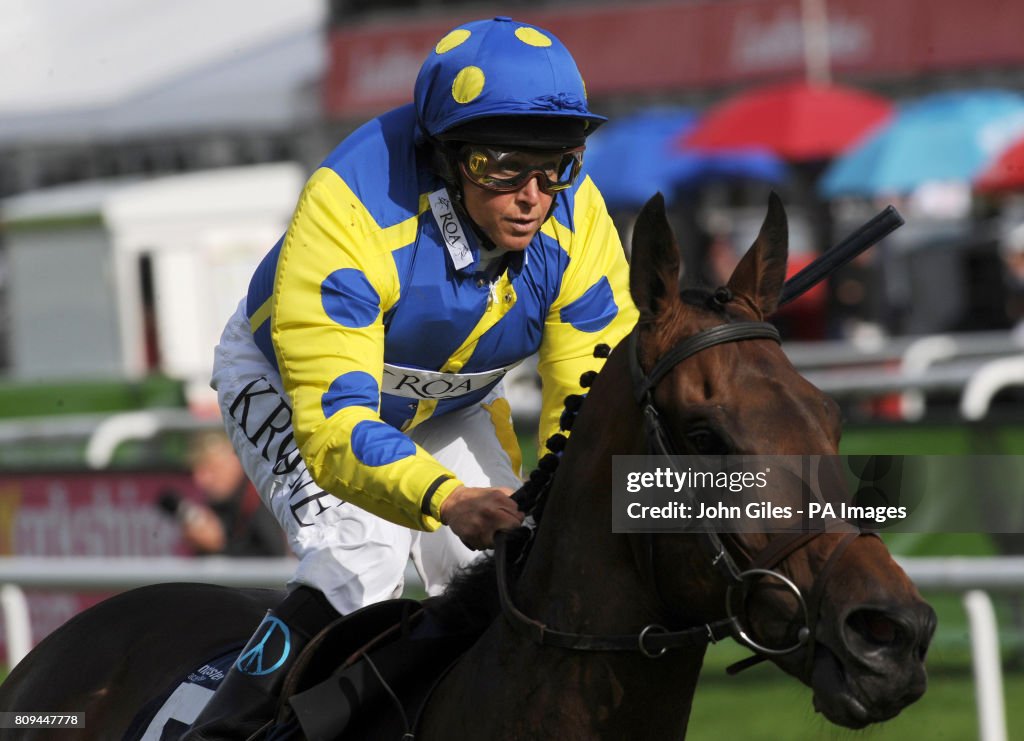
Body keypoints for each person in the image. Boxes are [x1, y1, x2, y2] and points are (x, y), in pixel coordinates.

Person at [185, 16, 637, 738]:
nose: (533, 194)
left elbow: (587, 393)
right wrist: (446, 495)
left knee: (513, 565)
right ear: (446, 156)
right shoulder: (347, 207)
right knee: (360, 557)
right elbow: (337, 430)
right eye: (503, 167)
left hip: (450, 401)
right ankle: (226, 729)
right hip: (295, 386)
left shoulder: (576, 217)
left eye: (556, 164)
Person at [161, 431, 287, 558]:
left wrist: (219, 545)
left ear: (235, 461)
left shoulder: (267, 498)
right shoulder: (222, 501)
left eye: (210, 469)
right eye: (195, 470)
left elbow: (275, 563)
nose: (200, 480)